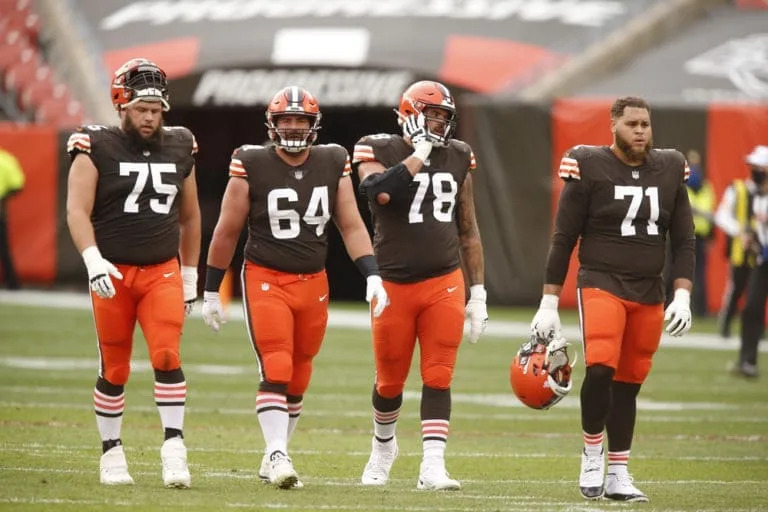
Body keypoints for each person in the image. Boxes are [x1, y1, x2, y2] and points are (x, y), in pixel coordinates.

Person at [201, 85, 389, 490]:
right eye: (285, 119)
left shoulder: (333, 159)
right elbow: (226, 231)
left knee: (300, 374)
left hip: (314, 280)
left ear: (313, 125)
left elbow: (351, 224)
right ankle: (278, 453)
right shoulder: (249, 161)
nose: (292, 126)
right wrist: (212, 288)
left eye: (299, 120)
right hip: (266, 276)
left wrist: (372, 272)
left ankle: (274, 453)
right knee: (278, 365)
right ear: (272, 124)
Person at [530, 96, 695, 503]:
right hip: (601, 280)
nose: (640, 130)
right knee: (601, 367)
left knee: (629, 383)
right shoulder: (588, 162)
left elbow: (685, 238)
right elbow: (563, 237)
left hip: (649, 287)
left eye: (645, 124)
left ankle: (619, 472)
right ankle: (591, 452)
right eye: (632, 124)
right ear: (613, 126)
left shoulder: (670, 166)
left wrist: (683, 294)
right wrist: (549, 301)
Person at [66, 58, 201, 488]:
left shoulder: (180, 144)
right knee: (116, 366)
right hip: (114, 272)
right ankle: (111, 451)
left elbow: (192, 217)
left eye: (156, 109)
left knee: (166, 355)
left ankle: (174, 446)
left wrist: (191, 274)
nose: (149, 117)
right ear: (122, 105)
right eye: (142, 108)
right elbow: (76, 209)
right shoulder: (96, 144)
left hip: (161, 269)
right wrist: (92, 259)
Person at [352, 80, 487, 491]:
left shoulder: (459, 155)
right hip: (393, 282)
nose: (440, 124)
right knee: (390, 379)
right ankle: (383, 447)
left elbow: (467, 229)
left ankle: (433, 464)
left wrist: (478, 292)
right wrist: (419, 156)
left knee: (439, 374)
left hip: (444, 280)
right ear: (410, 113)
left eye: (445, 117)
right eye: (433, 115)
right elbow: (377, 195)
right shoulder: (377, 146)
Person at [714, 145, 767, 339]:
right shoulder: (737, 189)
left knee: (758, 296)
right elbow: (721, 216)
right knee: (736, 289)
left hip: (762, 254)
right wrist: (740, 231)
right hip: (740, 250)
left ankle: (757, 330)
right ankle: (726, 325)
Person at [731, 145, 768, 378]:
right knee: (751, 308)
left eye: (757, 166)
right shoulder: (757, 197)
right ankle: (747, 361)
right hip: (762, 261)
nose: (753, 170)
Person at [684, 149, 715, 317]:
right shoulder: (701, 186)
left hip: (696, 236)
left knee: (696, 274)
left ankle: (698, 309)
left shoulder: (702, 187)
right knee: (689, 273)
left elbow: (710, 214)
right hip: (690, 235)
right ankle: (692, 308)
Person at [0, 146, 25, 289]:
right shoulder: (6, 159)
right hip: (1, 209)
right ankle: (13, 284)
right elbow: (18, 185)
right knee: (3, 248)